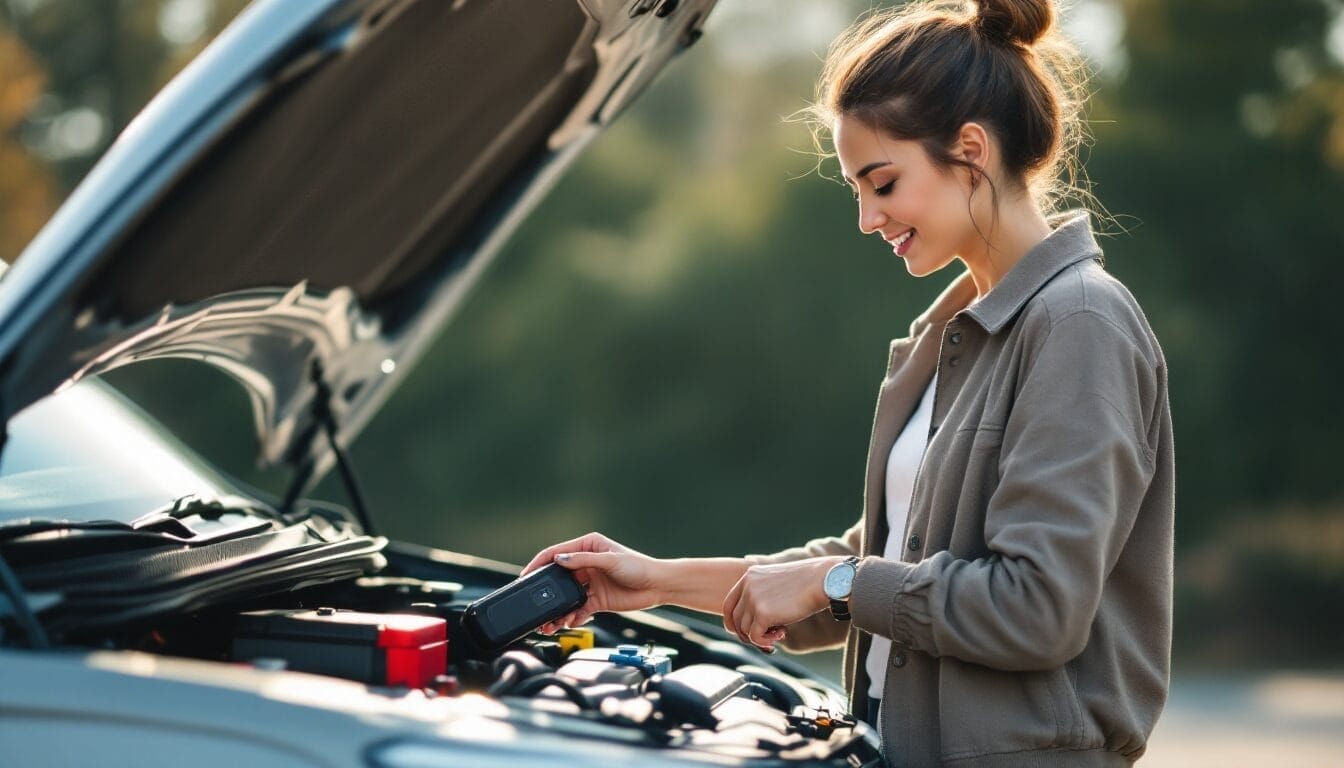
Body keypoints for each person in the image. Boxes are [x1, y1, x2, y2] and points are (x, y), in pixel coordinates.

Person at [523, 0, 1174, 765]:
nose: (867, 218)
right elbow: (881, 567)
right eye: (857, 190)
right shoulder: (952, 337)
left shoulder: (1080, 323)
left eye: (883, 183)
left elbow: (1034, 609)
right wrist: (655, 580)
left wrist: (834, 580)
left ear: (970, 150)